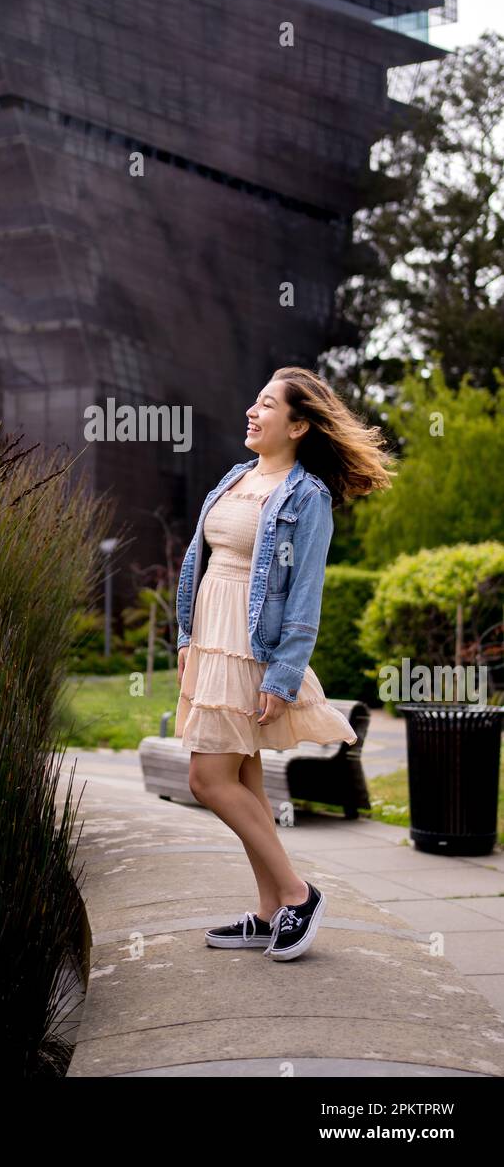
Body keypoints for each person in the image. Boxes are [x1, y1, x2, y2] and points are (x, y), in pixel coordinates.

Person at [174, 366, 396, 960]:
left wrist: (284, 674)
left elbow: (304, 597)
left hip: (253, 651)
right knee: (241, 779)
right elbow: (204, 562)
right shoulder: (235, 478)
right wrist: (185, 639)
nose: (252, 410)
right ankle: (271, 910)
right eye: (254, 400)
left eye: (266, 404)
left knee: (206, 780)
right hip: (211, 645)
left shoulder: (307, 497)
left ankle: (299, 894)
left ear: (298, 425)